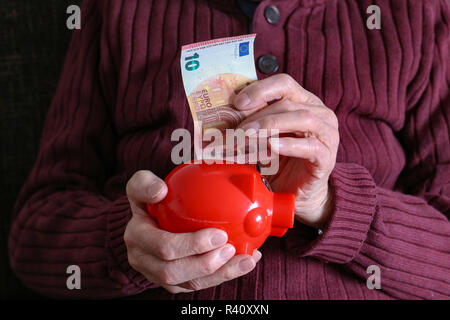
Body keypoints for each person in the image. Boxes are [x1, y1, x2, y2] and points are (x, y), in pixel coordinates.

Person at [8, 0, 450, 299]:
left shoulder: (417, 13)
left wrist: (332, 204)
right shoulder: (119, 9)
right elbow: (31, 234)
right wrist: (126, 245)